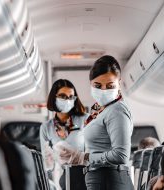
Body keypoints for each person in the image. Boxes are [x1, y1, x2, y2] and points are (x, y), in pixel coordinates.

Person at [54, 55, 134, 190]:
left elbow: (121, 155)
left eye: (110, 86)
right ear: (90, 84)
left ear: (119, 83)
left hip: (110, 180)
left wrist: (84, 157)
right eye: (98, 85)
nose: (103, 91)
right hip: (102, 180)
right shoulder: (100, 110)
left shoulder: (117, 110)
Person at [39, 79, 88, 190]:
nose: (67, 100)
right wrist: (50, 160)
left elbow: (97, 153)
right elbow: (47, 166)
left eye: (71, 97)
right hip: (62, 178)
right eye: (63, 96)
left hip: (86, 177)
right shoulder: (46, 128)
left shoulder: (85, 120)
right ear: (54, 97)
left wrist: (80, 157)